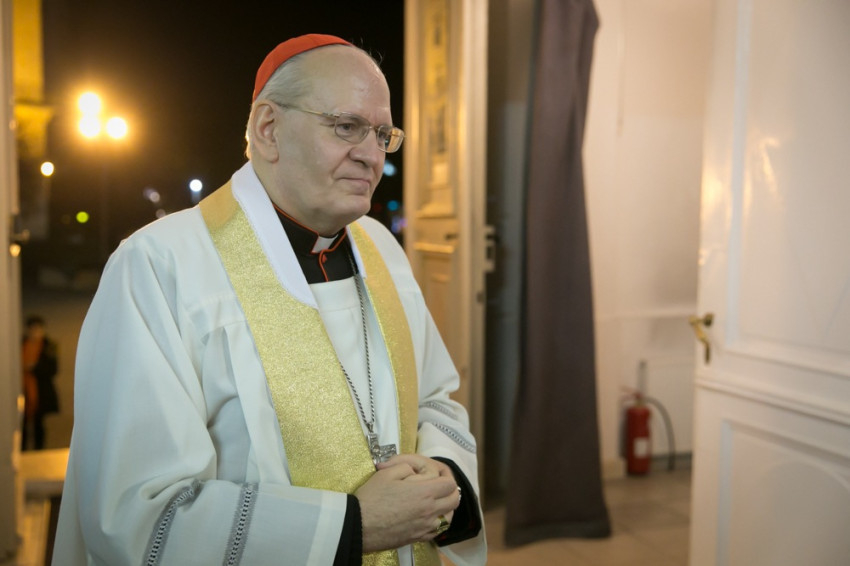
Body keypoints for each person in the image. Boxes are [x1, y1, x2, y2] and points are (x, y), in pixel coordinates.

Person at [53, 34, 486, 565]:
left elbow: (435, 398)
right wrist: (353, 527)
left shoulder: (383, 250)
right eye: (347, 127)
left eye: (382, 134)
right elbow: (140, 510)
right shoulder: (159, 265)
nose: (372, 155)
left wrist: (443, 478)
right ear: (268, 128)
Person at [21, 315, 59, 451]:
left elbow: (53, 369)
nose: (35, 332)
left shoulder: (49, 346)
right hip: (24, 387)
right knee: (22, 422)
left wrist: (34, 368)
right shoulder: (21, 344)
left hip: (41, 390)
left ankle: (39, 449)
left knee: (39, 422)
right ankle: (22, 449)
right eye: (32, 329)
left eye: (37, 329)